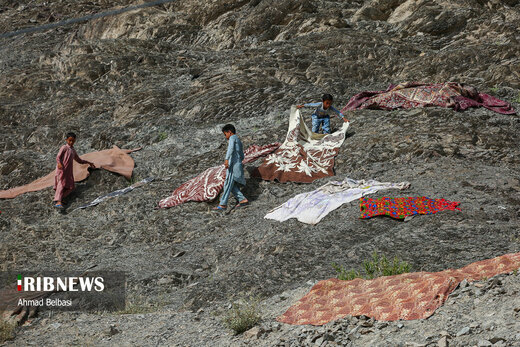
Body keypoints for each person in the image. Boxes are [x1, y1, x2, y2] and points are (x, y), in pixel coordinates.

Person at [53, 132, 95, 209]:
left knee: (71, 187)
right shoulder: (64, 147)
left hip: (68, 171)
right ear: (66, 140)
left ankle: (61, 198)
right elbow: (58, 157)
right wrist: (59, 163)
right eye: (69, 140)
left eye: (73, 141)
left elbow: (79, 160)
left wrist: (88, 162)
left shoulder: (72, 150)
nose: (71, 142)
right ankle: (57, 201)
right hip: (62, 169)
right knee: (61, 184)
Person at [214, 124, 249, 211]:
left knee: (227, 184)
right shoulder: (239, 140)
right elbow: (242, 155)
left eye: (225, 134)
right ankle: (242, 200)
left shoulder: (232, 138)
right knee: (231, 185)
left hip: (233, 166)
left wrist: (226, 159)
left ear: (229, 132)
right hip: (237, 165)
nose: (226, 137)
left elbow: (230, 148)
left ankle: (223, 204)